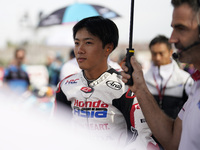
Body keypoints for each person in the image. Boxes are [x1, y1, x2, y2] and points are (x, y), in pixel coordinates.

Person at [56, 16, 158, 149]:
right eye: (76, 43)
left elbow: (142, 139)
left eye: (88, 43)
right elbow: (57, 131)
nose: (79, 50)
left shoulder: (125, 87)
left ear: (108, 48)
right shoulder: (65, 86)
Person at [121, 0, 200, 150]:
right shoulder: (197, 85)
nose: (172, 39)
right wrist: (140, 88)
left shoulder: (186, 81)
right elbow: (172, 140)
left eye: (181, 28)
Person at [145, 35, 193, 119]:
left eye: (161, 53)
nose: (157, 58)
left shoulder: (185, 79)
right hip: (149, 130)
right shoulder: (143, 78)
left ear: (170, 52)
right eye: (154, 53)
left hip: (177, 130)